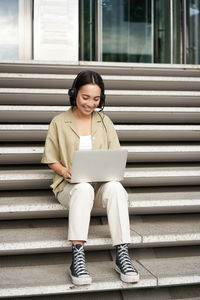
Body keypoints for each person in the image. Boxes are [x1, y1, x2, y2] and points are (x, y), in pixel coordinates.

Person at [41, 70, 139, 286]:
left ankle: (122, 255)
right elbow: (50, 158)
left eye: (96, 99)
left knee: (115, 188)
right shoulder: (59, 122)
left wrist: (110, 171)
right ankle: (77, 257)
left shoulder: (105, 122)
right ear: (74, 93)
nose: (90, 103)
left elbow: (115, 155)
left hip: (99, 186)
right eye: (85, 97)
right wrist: (65, 171)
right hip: (70, 188)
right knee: (83, 187)